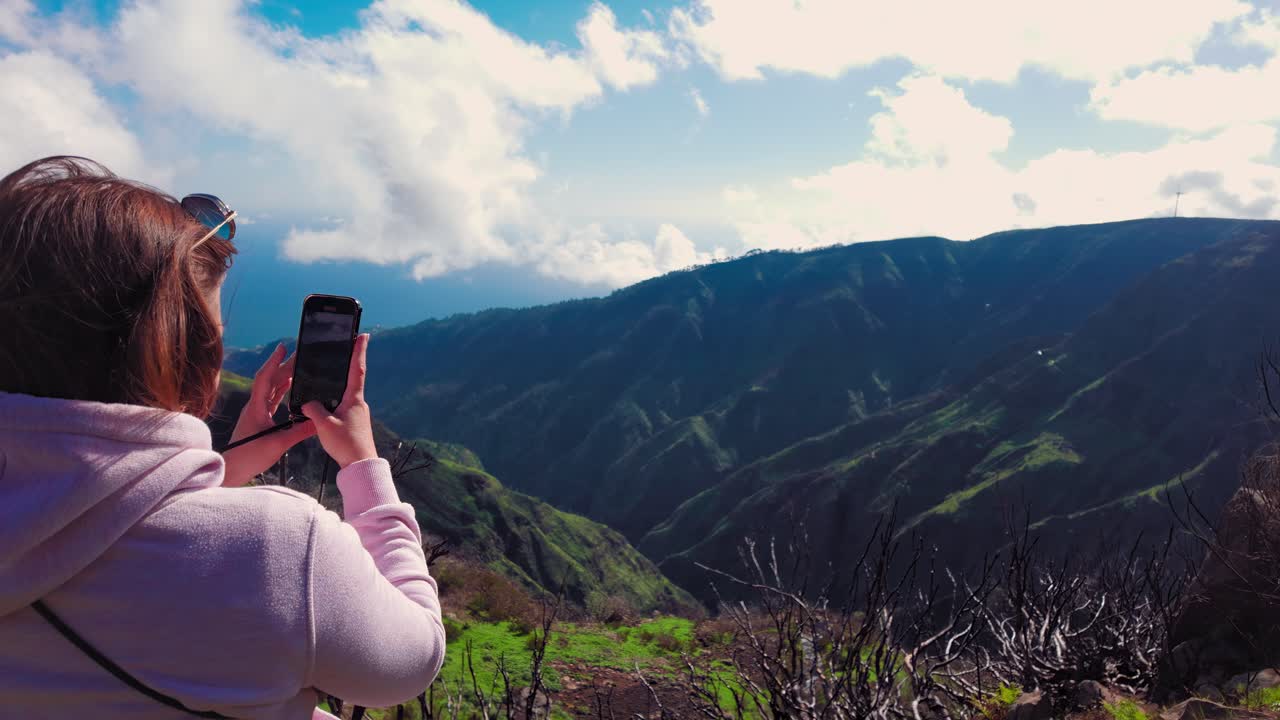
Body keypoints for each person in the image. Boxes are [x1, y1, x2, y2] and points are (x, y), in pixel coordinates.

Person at [0, 157, 446, 718]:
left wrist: (230, 464)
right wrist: (364, 468)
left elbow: (89, 524)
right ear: (177, 356)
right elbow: (409, 663)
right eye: (213, 336)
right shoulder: (279, 548)